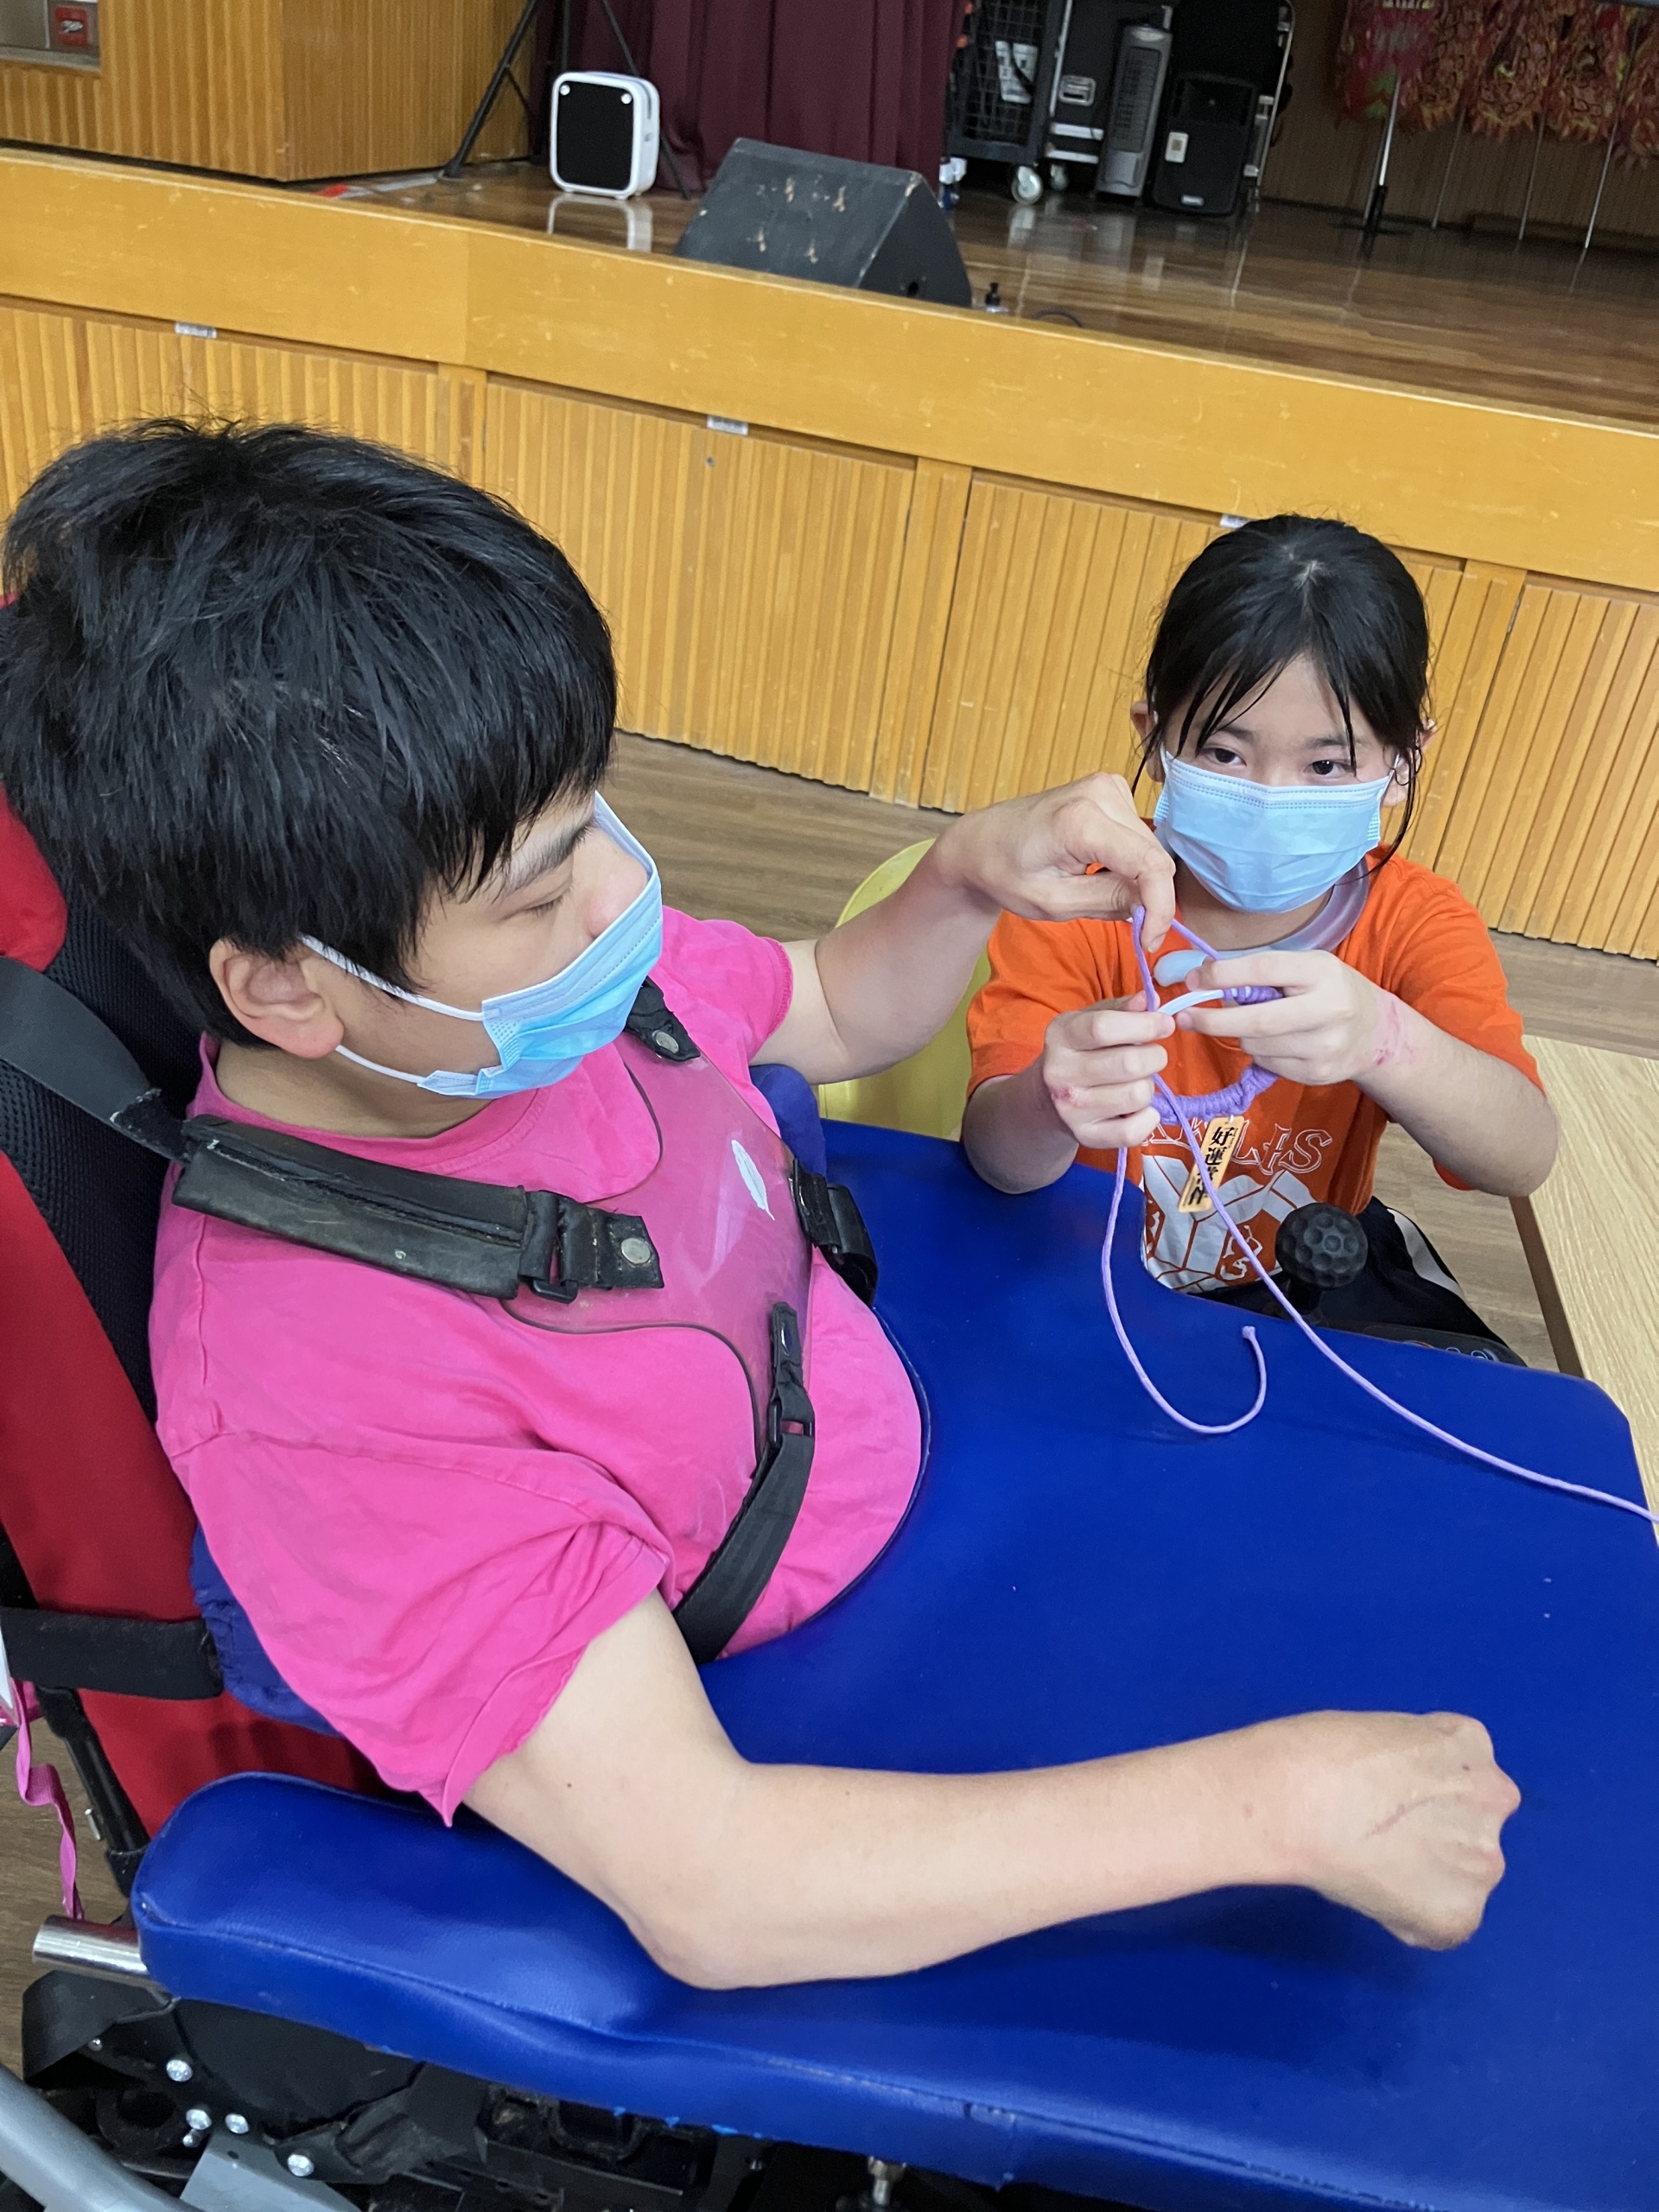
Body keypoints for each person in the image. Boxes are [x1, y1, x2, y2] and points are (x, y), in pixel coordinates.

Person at [0, 427, 1516, 1990]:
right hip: (810, 1700)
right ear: (285, 988)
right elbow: (717, 1886)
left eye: (594, 820)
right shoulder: (328, 1390)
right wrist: (1280, 1807)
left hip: (886, 1438)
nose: (622, 902)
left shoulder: (515, 1009)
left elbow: (831, 1002)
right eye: (541, 892)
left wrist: (963, 876)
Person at [963, 516, 1557, 1336]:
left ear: (1402, 764)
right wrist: (1044, 1100)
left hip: (1300, 1284)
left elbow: (1521, 1156)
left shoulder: (1414, 923)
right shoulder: (1080, 903)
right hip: (1074, 1262)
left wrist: (1385, 1039)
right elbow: (998, 1160)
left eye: (1327, 764)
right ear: (1155, 739)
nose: (1273, 797)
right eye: (1225, 753)